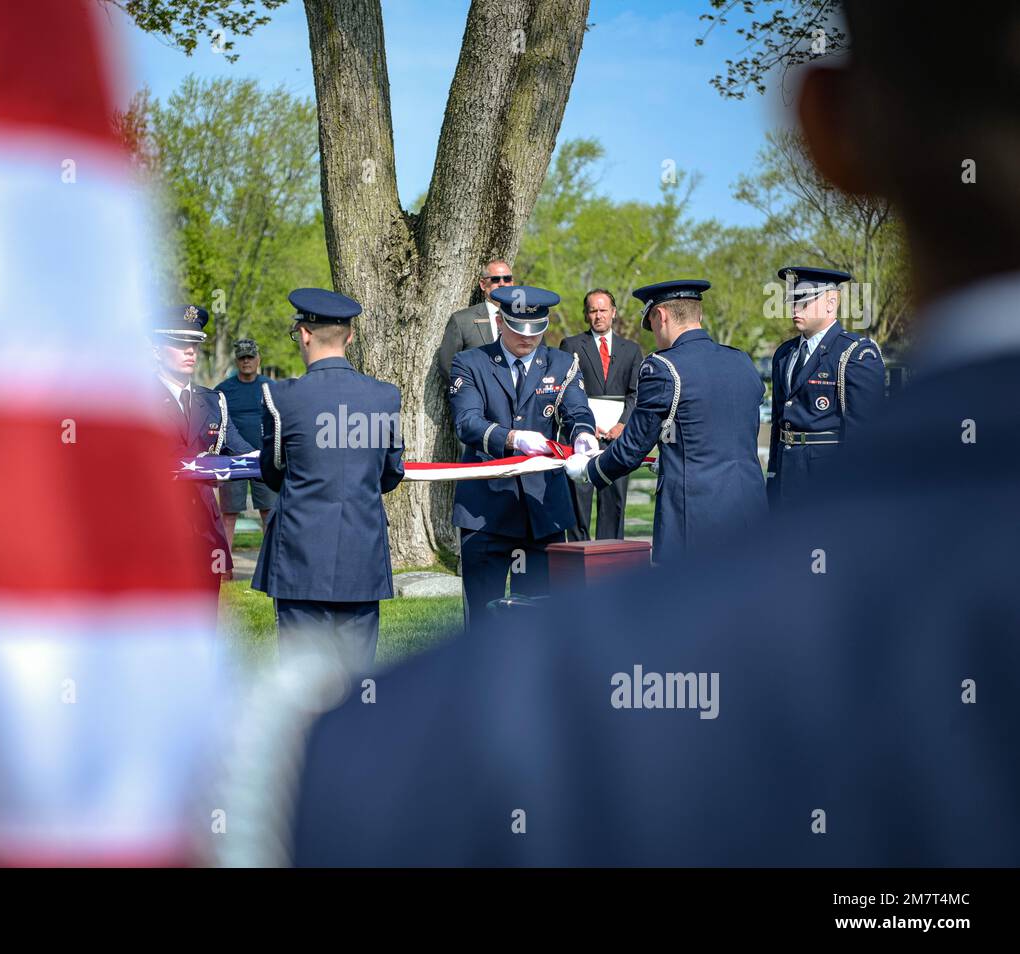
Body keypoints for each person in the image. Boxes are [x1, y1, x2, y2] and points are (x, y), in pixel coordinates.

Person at [262, 0, 1020, 867]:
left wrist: (582, 448)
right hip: (502, 520)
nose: (528, 329)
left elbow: (594, 421)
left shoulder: (516, 724)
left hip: (571, 514)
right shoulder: (508, 368)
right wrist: (530, 438)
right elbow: (474, 426)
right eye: (514, 317)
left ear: (831, 131)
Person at [250, 289, 405, 671]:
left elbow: (272, 470)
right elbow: (391, 473)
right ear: (350, 337)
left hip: (300, 553)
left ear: (303, 334)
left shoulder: (281, 396)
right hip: (361, 550)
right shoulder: (385, 397)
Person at [566, 281, 766, 565]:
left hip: (693, 512)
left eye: (651, 323)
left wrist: (590, 470)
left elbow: (632, 448)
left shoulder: (662, 367)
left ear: (661, 315)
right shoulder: (741, 361)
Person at [448, 285, 595, 630]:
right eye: (518, 329)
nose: (527, 338)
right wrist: (511, 438)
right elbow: (467, 423)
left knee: (540, 620)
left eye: (536, 330)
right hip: (486, 511)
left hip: (541, 509)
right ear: (500, 322)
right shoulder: (470, 363)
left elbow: (576, 410)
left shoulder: (562, 363)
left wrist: (584, 435)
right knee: (484, 623)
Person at [766, 267, 885, 507]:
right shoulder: (784, 354)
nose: (795, 309)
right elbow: (780, 421)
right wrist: (773, 475)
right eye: (793, 301)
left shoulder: (856, 353)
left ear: (831, 303)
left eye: (805, 301)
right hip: (787, 479)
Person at [153, 306, 253, 588]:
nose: (190, 351)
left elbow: (243, 453)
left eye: (194, 344)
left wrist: (285, 458)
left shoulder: (213, 402)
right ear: (156, 350)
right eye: (180, 344)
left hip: (204, 534)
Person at [558, 288, 643, 540]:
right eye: (593, 310)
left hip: (617, 440)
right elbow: (565, 390)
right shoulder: (571, 345)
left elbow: (636, 394)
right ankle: (577, 559)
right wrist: (584, 425)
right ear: (586, 315)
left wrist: (622, 425)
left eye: (603, 310)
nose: (598, 315)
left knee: (614, 502)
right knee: (578, 502)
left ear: (613, 313)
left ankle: (610, 560)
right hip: (582, 438)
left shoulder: (631, 350)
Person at [215, 337, 276, 557]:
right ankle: (224, 566)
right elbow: (217, 422)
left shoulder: (271, 388)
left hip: (265, 459)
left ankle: (269, 563)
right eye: (242, 358)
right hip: (233, 460)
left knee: (269, 512)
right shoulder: (223, 390)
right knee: (229, 514)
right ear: (236, 360)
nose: (246, 361)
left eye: (250, 357)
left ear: (258, 359)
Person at [437, 259, 514, 381]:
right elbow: (447, 366)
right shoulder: (462, 320)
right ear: (483, 284)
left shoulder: (526, 318)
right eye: (495, 279)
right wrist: (469, 393)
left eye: (507, 279)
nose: (502, 283)